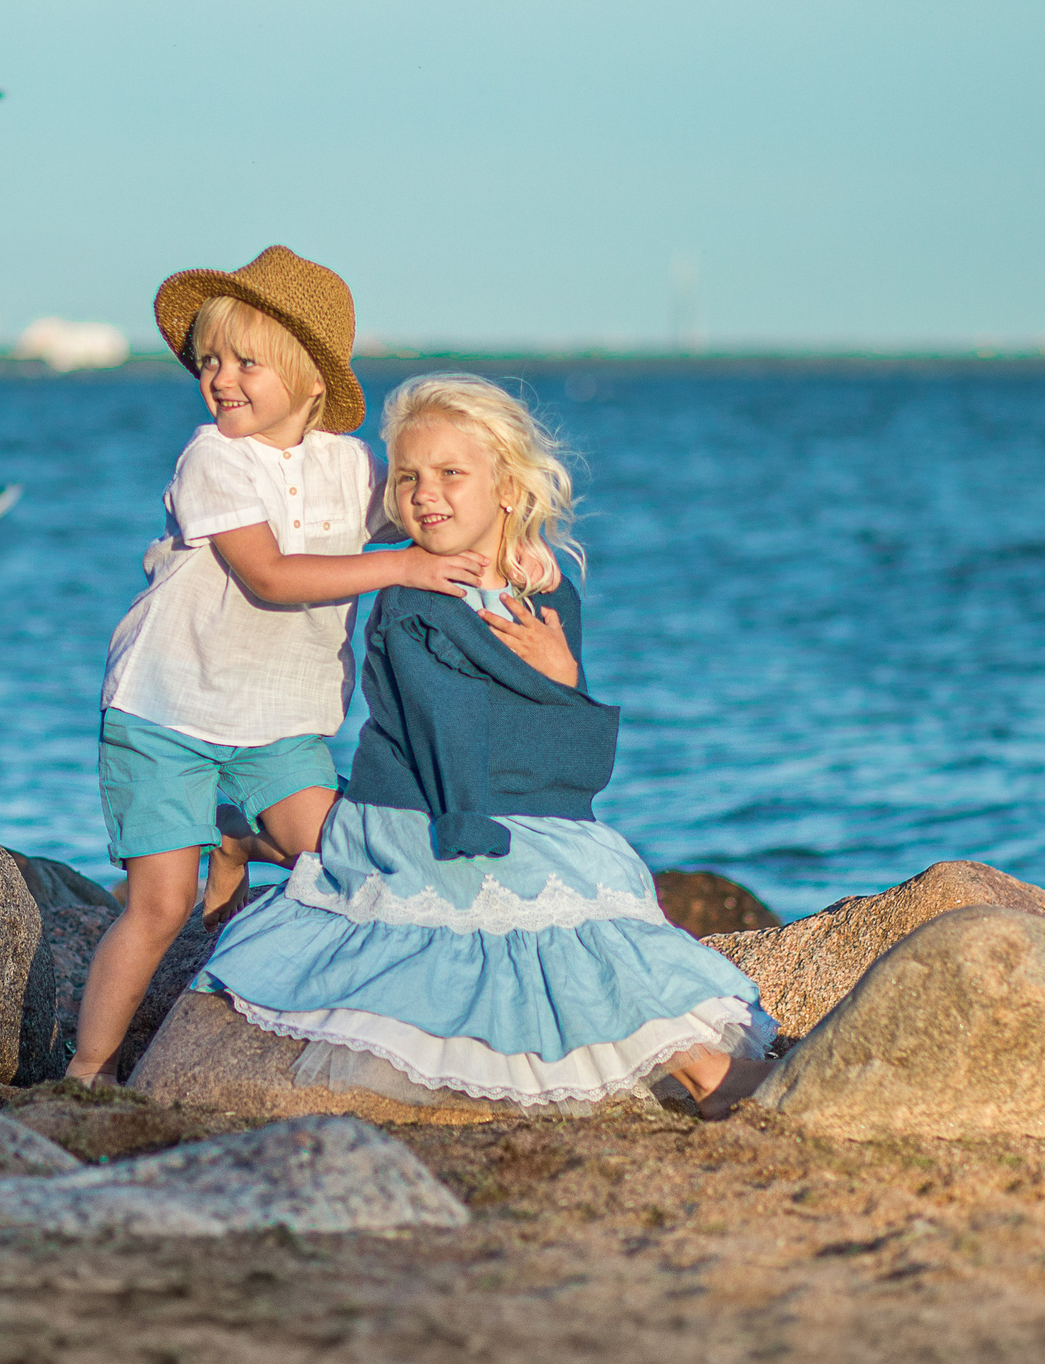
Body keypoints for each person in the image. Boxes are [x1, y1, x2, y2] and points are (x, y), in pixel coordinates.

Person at [192, 372, 774, 1116]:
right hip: (434, 806)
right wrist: (480, 825)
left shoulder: (547, 592)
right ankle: (706, 1076)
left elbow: (573, 760)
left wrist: (563, 677)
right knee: (535, 904)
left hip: (520, 798)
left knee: (602, 883)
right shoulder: (412, 598)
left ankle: (252, 837)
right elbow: (448, 733)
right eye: (408, 477)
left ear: (505, 486)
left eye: (450, 473)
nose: (425, 494)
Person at [63, 248, 488, 1085]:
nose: (220, 378)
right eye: (209, 361)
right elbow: (269, 574)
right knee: (160, 906)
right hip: (164, 711)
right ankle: (87, 1070)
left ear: (310, 378)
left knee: (338, 857)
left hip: (279, 721)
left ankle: (240, 836)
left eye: (245, 362)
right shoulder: (213, 458)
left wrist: (508, 543)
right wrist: (401, 566)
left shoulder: (353, 467)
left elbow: (431, 515)